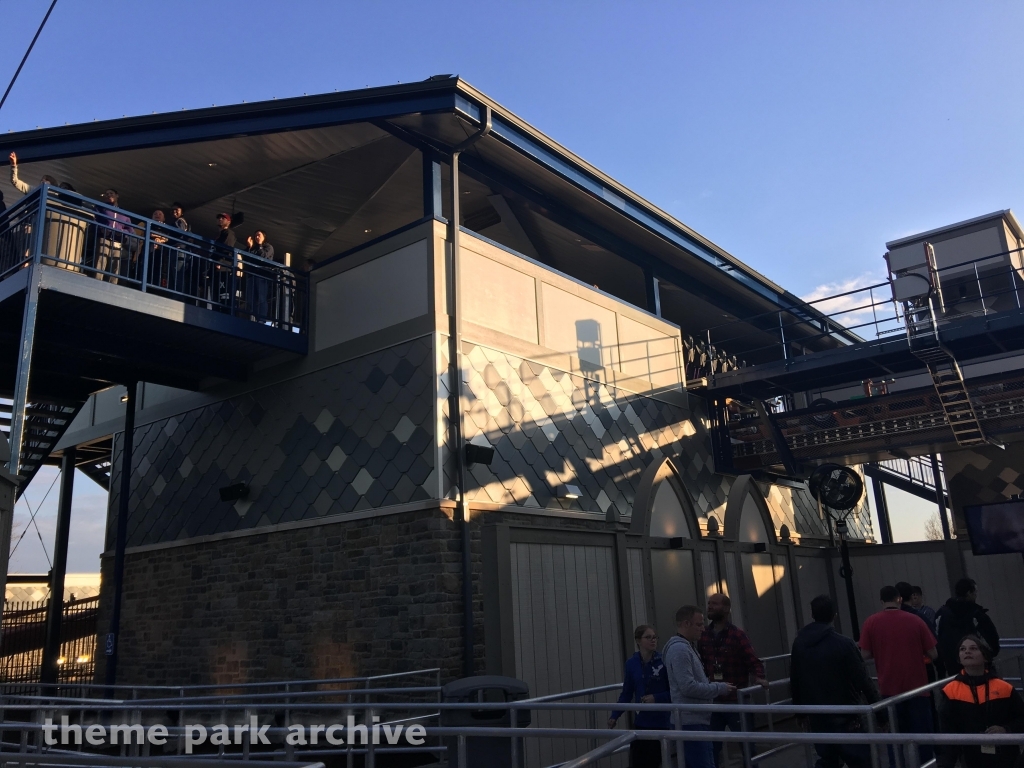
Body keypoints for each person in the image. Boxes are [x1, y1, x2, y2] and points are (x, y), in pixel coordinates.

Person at [792, 595, 881, 768]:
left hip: (817, 715)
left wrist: (799, 711)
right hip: (846, 714)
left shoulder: (800, 644)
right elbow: (862, 679)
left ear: (812, 614)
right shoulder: (843, 644)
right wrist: (880, 712)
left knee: (827, 760)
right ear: (834, 615)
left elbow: (795, 678)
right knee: (861, 760)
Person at [860, 585, 938, 765]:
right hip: (918, 688)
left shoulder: (871, 622)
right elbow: (933, 653)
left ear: (881, 602)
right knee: (923, 738)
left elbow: (864, 654)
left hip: (889, 689)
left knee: (894, 738)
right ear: (899, 599)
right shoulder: (916, 620)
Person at [698, 593, 767, 767]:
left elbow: (753, 660)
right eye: (709, 603)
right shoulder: (704, 635)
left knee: (747, 747)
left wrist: (759, 677)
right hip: (714, 701)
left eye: (714, 603)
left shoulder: (737, 635)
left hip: (737, 701)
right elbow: (701, 663)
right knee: (711, 747)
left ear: (727, 609)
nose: (710, 606)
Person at [936, 634, 1024, 768]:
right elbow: (947, 733)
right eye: (962, 649)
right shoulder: (951, 691)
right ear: (959, 658)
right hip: (971, 759)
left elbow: (1021, 719)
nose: (967, 652)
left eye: (973, 648)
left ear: (985, 656)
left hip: (1006, 758)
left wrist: (1006, 729)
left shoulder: (1004, 688)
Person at [663, 605, 735, 768]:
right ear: (686, 624)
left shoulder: (687, 648)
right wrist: (719, 688)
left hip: (695, 719)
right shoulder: (680, 650)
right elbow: (687, 686)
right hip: (690, 721)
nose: (703, 629)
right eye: (699, 624)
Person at [609, 625, 671, 767]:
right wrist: (615, 715)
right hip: (641, 721)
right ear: (638, 641)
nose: (653, 640)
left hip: (661, 722)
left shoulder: (663, 661)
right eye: (648, 637)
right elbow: (627, 692)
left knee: (655, 761)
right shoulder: (632, 664)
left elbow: (674, 691)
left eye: (654, 637)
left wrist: (657, 698)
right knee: (638, 762)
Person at [936, 578, 1000, 679]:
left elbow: (936, 638)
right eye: (975, 592)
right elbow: (992, 642)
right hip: (979, 669)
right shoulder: (977, 615)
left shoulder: (941, 614)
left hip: (952, 670)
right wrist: (987, 656)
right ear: (969, 593)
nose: (976, 595)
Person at [93, 188, 133, 284]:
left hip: (117, 240)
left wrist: (122, 232)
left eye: (111, 193)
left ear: (117, 196)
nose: (109, 195)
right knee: (101, 260)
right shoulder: (100, 207)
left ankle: (112, 284)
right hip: (104, 237)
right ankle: (96, 282)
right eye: (107, 194)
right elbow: (94, 220)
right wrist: (102, 228)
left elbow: (130, 229)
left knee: (115, 263)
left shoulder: (123, 212)